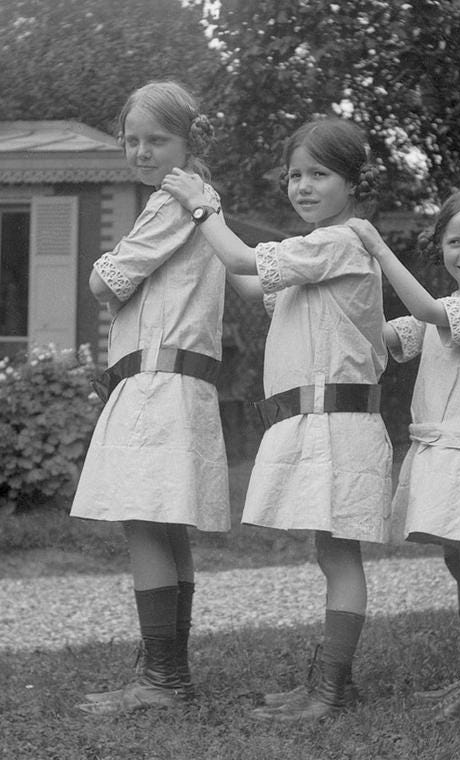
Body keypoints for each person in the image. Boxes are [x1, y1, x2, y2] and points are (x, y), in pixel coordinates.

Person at [161, 117, 392, 722]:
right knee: (330, 554)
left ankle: (330, 689)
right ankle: (325, 682)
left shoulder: (339, 243)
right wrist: (195, 237)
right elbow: (243, 279)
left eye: (320, 174)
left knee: (340, 557)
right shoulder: (310, 253)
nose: (303, 186)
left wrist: (203, 206)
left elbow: (240, 254)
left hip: (339, 424)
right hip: (318, 424)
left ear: (352, 182)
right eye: (295, 175)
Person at [70, 81, 231, 714]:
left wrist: (108, 265)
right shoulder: (194, 202)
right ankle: (170, 673)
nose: (141, 151)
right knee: (164, 521)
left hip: (159, 383)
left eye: (156, 140)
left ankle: (163, 680)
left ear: (190, 143)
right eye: (131, 140)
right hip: (174, 380)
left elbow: (102, 280)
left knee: (144, 519)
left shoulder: (174, 201)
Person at [346, 187, 460, 722]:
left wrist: (378, 249)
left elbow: (425, 307)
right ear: (440, 246)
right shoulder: (443, 313)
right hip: (443, 449)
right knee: (458, 560)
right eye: (455, 242)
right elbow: (378, 333)